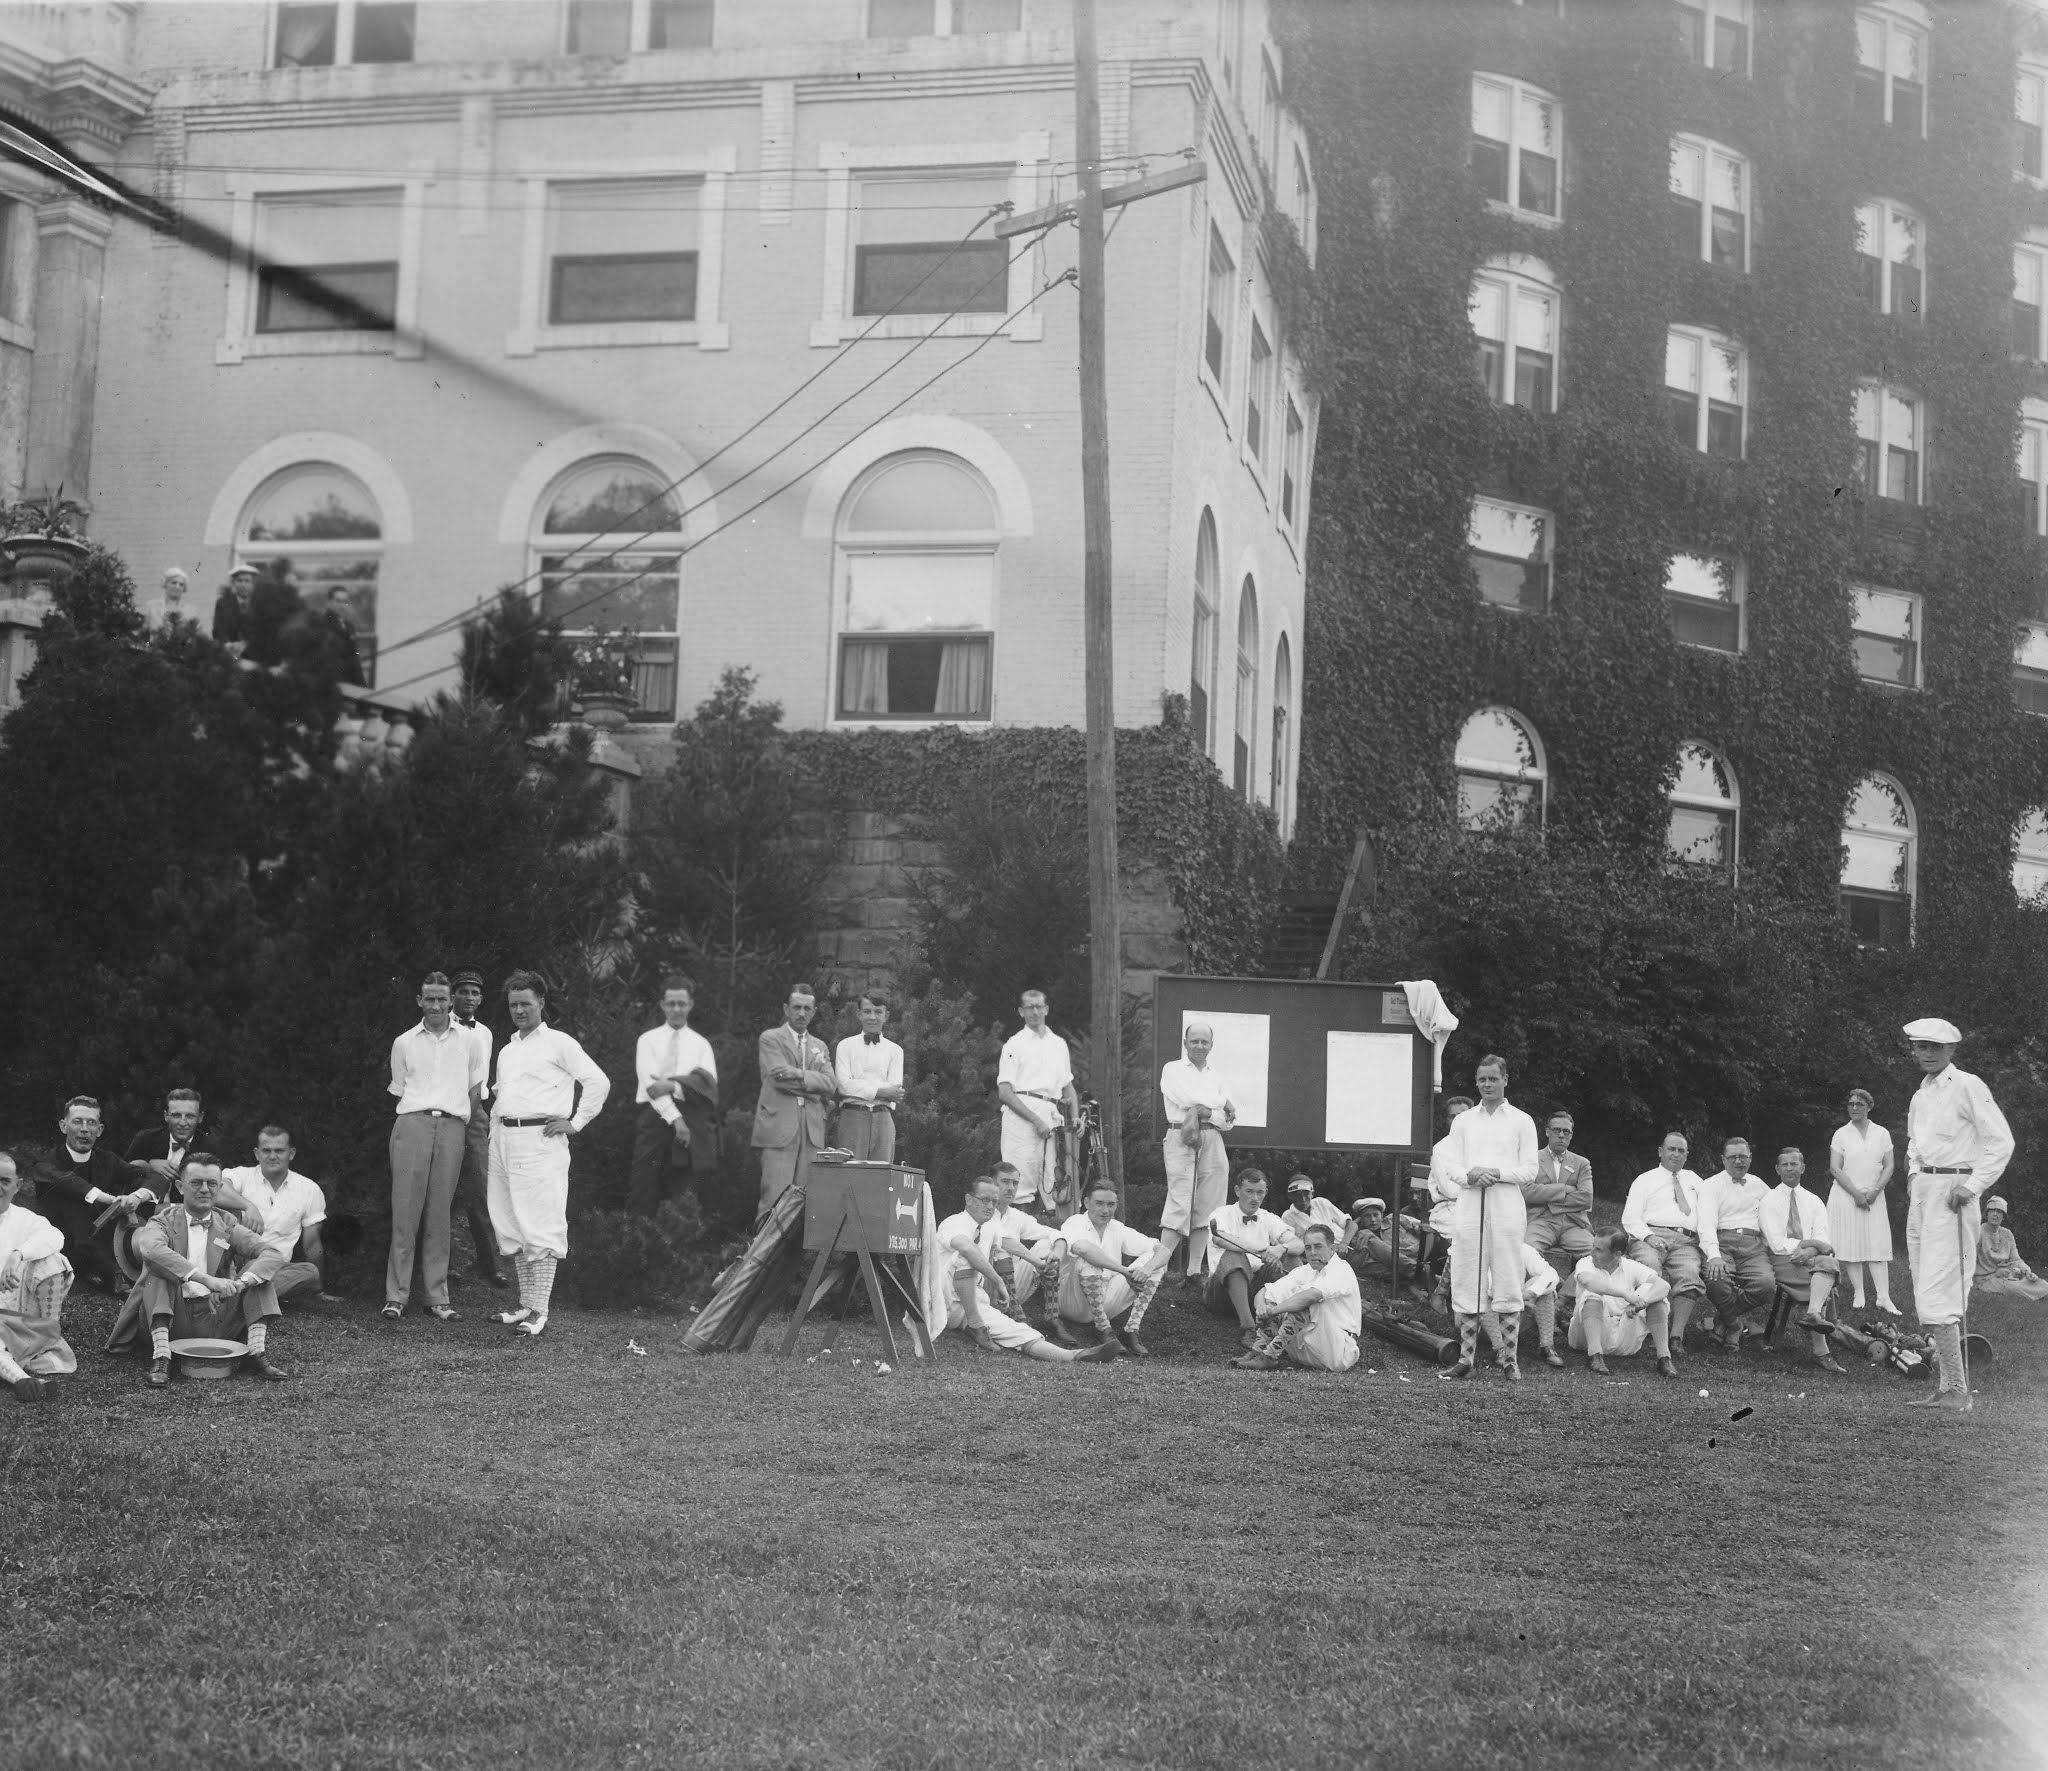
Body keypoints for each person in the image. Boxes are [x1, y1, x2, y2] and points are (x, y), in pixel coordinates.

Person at [490, 970, 611, 1337]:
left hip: (540, 1140)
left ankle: (539, 1312)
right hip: (504, 1138)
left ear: (541, 1002)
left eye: (526, 1003)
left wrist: (576, 1122)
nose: (520, 1010)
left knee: (540, 1223)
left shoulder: (560, 1043)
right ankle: (526, 1304)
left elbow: (598, 1081)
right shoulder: (509, 1050)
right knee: (511, 1222)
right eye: (513, 1005)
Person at [1902, 1017, 2013, 1411]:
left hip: (1955, 1193)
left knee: (1941, 1287)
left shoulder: (1968, 1086)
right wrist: (1915, 1176)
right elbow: (1915, 1144)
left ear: (1950, 1050)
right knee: (1924, 1285)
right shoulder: (1921, 1095)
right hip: (1924, 1194)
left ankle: (1957, 1390)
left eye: (1934, 1047)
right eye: (1920, 1046)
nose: (1926, 1053)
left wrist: (1972, 1186)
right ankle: (1950, 1386)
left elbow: (2001, 1141)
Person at [108, 1155, 288, 1386]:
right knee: (159, 1271)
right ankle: (162, 1357)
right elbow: (151, 1250)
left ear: (220, 1188)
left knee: (259, 1273)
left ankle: (255, 1352)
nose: (205, 1190)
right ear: (180, 1187)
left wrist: (239, 1284)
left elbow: (272, 1252)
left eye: (212, 1183)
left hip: (215, 1317)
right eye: (196, 1183)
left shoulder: (227, 1223)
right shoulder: (161, 1221)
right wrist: (207, 1280)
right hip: (171, 1318)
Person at [385, 970, 483, 1322]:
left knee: (440, 1214)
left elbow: (475, 1089)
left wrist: (463, 1125)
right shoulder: (404, 1042)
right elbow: (399, 1088)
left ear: (451, 1001)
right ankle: (396, 1296)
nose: (437, 1005)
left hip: (453, 1128)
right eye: (431, 998)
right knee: (406, 1212)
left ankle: (437, 1298)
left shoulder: (469, 1041)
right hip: (412, 1124)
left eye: (443, 999)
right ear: (420, 1001)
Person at [1434, 1056, 1538, 1381]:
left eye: (1493, 1079)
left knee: (1507, 1278)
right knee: (1467, 1277)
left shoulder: (1522, 1121)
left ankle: (1510, 1361)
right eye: (1482, 1080)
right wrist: (1471, 1175)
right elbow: (1450, 1164)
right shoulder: (1463, 1121)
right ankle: (1466, 1359)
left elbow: (1530, 1170)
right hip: (1469, 1204)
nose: (1487, 1085)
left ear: (1505, 1079)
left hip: (1506, 1205)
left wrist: (1496, 1172)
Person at [938, 1176, 1115, 1363]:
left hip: (973, 1303)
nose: (990, 1206)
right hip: (944, 1301)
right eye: (985, 1200)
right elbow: (966, 1247)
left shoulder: (990, 1228)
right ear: (968, 1199)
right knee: (966, 1256)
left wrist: (1035, 1266)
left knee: (1018, 1331)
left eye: (994, 1202)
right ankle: (974, 1324)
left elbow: (1005, 1248)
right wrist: (998, 1282)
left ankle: (1074, 1355)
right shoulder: (954, 1222)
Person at [31, 1096, 158, 1293]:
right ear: (63, 1126)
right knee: (75, 1199)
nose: (84, 1129)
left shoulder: (107, 1160)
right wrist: (103, 1197)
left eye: (91, 1123)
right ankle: (112, 1274)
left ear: (99, 1130)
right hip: (61, 1247)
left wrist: (136, 1197)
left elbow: (153, 1178)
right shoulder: (46, 1162)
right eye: (77, 1121)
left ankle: (116, 1271)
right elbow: (65, 1180)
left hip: (103, 1242)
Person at [630, 975, 721, 1216]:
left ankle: (679, 1248)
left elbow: (708, 1085)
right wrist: (675, 1119)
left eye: (682, 1003)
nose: (677, 1009)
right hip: (654, 1116)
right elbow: (651, 1088)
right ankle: (639, 1243)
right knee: (644, 1181)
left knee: (683, 1186)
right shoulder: (647, 1041)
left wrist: (671, 1086)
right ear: (662, 1005)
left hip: (690, 1117)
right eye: (671, 1004)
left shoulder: (701, 1045)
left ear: (691, 1004)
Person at [1157, 1021, 1236, 1281]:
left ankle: (1193, 1270)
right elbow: (1187, 1099)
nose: (1199, 1046)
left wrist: (1210, 1112)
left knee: (1209, 1204)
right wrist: (1223, 1102)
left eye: (1204, 1042)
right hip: (1182, 1135)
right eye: (1194, 1041)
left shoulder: (1217, 1076)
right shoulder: (1173, 1069)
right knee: (1180, 1200)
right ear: (1185, 1043)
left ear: (1211, 1045)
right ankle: (1160, 1267)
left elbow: (1228, 1121)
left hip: (1212, 1138)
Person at [752, 983, 836, 1222]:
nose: (801, 1013)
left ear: (814, 1011)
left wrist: (798, 1075)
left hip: (811, 1132)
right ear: (786, 1009)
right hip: (779, 1127)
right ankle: (763, 1259)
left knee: (804, 1204)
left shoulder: (819, 1046)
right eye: (797, 1007)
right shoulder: (771, 1039)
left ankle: (795, 1260)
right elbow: (777, 1077)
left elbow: (831, 1084)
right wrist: (813, 1087)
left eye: (807, 1008)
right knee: (774, 1200)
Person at [1760, 1147, 1848, 1374]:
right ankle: (1821, 1350)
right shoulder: (1768, 1200)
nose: (1790, 1168)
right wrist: (1808, 1248)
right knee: (1825, 1275)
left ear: (1803, 1168)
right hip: (1783, 1260)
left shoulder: (1814, 1201)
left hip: (1812, 1260)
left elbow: (1823, 1238)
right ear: (1777, 1169)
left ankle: (1813, 1315)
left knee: (1828, 1264)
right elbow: (1776, 1242)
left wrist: (1810, 1251)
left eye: (1794, 1164)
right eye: (1785, 1164)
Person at [221, 1126, 331, 1306]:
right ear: (257, 1153)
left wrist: (319, 1290)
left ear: (291, 1153)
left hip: (274, 1267)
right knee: (222, 1232)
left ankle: (235, 1293)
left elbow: (312, 1244)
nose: (272, 1156)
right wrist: (247, 1205)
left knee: (310, 1272)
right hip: (235, 1258)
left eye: (279, 1151)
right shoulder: (242, 1175)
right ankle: (247, 1294)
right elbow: (216, 1189)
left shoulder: (309, 1189)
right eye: (266, 1151)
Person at [1053, 1181, 1166, 1354]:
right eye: (1099, 1203)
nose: (1105, 1211)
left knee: (1155, 1261)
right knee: (1088, 1260)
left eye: (1111, 1204)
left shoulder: (1117, 1228)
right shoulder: (1075, 1222)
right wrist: (1123, 1271)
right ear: (1086, 1202)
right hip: (1072, 1302)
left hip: (1106, 1300)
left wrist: (1148, 1269)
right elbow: (1083, 1249)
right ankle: (1102, 1328)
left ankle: (1131, 1329)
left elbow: (1163, 1250)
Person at [1620, 1132, 1707, 1353]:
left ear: (1687, 1155)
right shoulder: (1645, 1179)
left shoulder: (1696, 1181)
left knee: (1689, 1274)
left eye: (1681, 1151)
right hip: (1650, 1236)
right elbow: (1630, 1218)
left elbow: (1708, 1213)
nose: (1676, 1154)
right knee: (1650, 1270)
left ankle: (1676, 1336)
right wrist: (1649, 1237)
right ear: (1661, 1151)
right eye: (1671, 1149)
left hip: (1686, 1241)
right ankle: (1648, 1328)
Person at [1232, 1224, 1362, 1371]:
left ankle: (1269, 1357)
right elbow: (1264, 1291)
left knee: (1308, 1299)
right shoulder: (1305, 1270)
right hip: (1306, 1349)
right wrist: (1262, 1307)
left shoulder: (1341, 1269)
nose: (1312, 1253)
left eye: (1318, 1247)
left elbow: (1311, 1296)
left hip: (1337, 1351)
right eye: (1308, 1248)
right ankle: (1257, 1353)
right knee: (1275, 1295)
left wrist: (1274, 1311)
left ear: (1332, 1248)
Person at [0, 1151, 74, 1400]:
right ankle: (23, 1380)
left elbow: (55, 1237)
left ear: (17, 1186)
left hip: (19, 1311)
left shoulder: (25, 1219)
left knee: (52, 1259)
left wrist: (18, 1254)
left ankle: (46, 1337)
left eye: (4, 1181)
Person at [449, 968, 506, 1287]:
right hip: (445, 1112)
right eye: (463, 992)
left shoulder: (483, 1032)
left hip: (476, 1115)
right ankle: (443, 1265)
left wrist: (475, 1113)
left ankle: (490, 1264)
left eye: (474, 993)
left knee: (480, 1186)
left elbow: (482, 1077)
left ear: (481, 999)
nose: (469, 998)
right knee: (444, 1189)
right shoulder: (441, 1028)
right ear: (453, 996)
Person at [998, 989, 1078, 1213]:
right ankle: (1013, 1241)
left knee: (1055, 1182)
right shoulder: (1014, 1044)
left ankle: (1051, 1241)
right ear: (1021, 1012)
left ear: (1046, 1009)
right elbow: (1004, 1091)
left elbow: (1067, 1085)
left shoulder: (1058, 1044)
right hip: (1022, 1118)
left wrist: (1075, 1118)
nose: (1035, 1012)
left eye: (1039, 1007)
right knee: (1018, 1181)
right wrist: (1035, 1120)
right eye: (1029, 1007)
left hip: (1052, 1117)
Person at [1697, 1136, 1779, 1354]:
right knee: (1716, 1278)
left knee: (1766, 1285)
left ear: (1750, 1158)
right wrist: (1714, 1255)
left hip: (1753, 1246)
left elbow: (1776, 1216)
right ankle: (1734, 1324)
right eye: (1732, 1157)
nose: (1738, 1161)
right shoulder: (1711, 1185)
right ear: (1723, 1160)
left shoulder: (1760, 1185)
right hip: (1721, 1242)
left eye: (1743, 1156)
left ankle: (1722, 1319)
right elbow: (1706, 1223)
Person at [1204, 1169, 1304, 1344]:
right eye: (1249, 1191)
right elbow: (1220, 1239)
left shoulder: (1268, 1218)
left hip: (1256, 1290)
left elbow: (1299, 1244)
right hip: (1221, 1291)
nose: (1255, 1198)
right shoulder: (1222, 1213)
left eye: (1260, 1192)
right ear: (1237, 1191)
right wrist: (1262, 1250)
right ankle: (1249, 1328)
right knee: (1233, 1256)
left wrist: (1282, 1248)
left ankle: (1290, 1318)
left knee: (1292, 1258)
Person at [1829, 1087, 1899, 1315]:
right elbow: (1835, 1168)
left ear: (1869, 1106)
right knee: (1852, 1244)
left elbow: (1889, 1165)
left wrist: (1875, 1191)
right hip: (1846, 1196)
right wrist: (1856, 1194)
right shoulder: (1841, 1134)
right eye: (1851, 1104)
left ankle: (1883, 1297)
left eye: (1859, 1104)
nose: (1854, 1108)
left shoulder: (1882, 1133)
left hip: (1874, 1196)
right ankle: (1859, 1293)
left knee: (1877, 1244)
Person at [1570, 1230, 1678, 1377]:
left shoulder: (1630, 1266)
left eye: (1599, 1249)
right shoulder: (1585, 1262)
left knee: (1655, 1294)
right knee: (1592, 1293)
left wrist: (1642, 1303)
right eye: (1593, 1247)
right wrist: (1625, 1294)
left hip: (1624, 1337)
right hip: (1585, 1337)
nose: (1592, 1252)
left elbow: (1664, 1286)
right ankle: (1595, 1356)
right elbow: (1589, 1282)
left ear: (1617, 1254)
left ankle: (1664, 1358)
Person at [1522, 1110, 1594, 1297]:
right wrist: (1565, 1189)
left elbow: (1586, 1198)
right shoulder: (1532, 1158)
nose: (1561, 1135)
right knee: (1526, 1250)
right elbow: (1527, 1192)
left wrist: (1548, 1198)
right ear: (1547, 1132)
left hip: (1573, 1223)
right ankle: (1530, 1297)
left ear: (1571, 1135)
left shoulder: (1581, 1163)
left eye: (1566, 1131)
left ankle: (1563, 1298)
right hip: (1541, 1221)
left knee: (1597, 1253)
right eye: (1556, 1130)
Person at [990, 1165, 1065, 1334]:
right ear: (992, 1184)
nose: (1011, 1188)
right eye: (1005, 1182)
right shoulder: (983, 1211)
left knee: (1047, 1245)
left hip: (1011, 1289)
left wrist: (1057, 1254)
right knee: (999, 1249)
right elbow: (1003, 1241)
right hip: (985, 1287)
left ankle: (1052, 1317)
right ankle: (1018, 1318)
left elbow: (1055, 1234)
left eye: (1015, 1183)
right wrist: (1036, 1262)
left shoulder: (1016, 1216)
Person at [833, 991, 905, 1163]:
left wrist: (861, 1088)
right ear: (859, 1014)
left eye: (878, 1012)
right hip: (853, 1116)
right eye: (867, 1011)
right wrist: (881, 1091)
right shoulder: (845, 1046)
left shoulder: (895, 1050)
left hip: (883, 1118)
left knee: (881, 1177)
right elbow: (844, 1086)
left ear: (886, 1015)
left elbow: (894, 1089)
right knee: (851, 1176)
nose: (872, 1017)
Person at [1420, 1094, 1475, 1307]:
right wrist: (1476, 1183)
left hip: (1476, 1206)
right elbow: (1449, 1190)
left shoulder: (1480, 1145)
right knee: (1467, 1235)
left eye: (1461, 1116)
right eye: (1452, 1117)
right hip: (1448, 1209)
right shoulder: (1441, 1149)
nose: (1456, 1121)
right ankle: (1443, 1291)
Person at [124, 1088, 206, 1194]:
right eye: (176, 1115)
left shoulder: (210, 1148)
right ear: (166, 1116)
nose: (182, 1123)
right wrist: (149, 1164)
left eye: (190, 1116)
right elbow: (122, 1173)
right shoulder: (145, 1138)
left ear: (200, 1117)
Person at [1973, 1198, 2048, 1301]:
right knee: (2016, 1287)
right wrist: (1994, 1273)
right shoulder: (1978, 1232)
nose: (1995, 1214)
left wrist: (2027, 1272)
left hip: (2007, 1274)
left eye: (1999, 1212)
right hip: (1986, 1279)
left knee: (2039, 1283)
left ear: (2003, 1216)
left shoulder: (2007, 1234)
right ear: (1986, 1213)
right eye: (1992, 1210)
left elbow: (2016, 1259)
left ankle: (2041, 1291)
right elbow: (1968, 1261)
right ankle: (2038, 1295)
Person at [1281, 1174, 1351, 1263]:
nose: (1302, 1199)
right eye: (1297, 1195)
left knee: (1367, 1236)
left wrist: (1344, 1243)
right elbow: (1294, 1248)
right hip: (1327, 1256)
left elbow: (1350, 1224)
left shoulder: (1321, 1202)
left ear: (1312, 1194)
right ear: (1289, 1196)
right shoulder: (1287, 1217)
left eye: (1306, 1194)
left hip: (1346, 1246)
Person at [211, 562, 254, 649]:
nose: (243, 584)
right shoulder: (223, 603)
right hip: (229, 652)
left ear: (253, 584)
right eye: (239, 580)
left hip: (253, 653)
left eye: (247, 581)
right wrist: (227, 645)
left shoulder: (258, 604)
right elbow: (218, 630)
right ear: (234, 583)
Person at [144, 566, 194, 631]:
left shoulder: (190, 611)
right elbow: (142, 635)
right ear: (165, 584)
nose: (177, 587)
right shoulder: (151, 607)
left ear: (184, 589)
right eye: (174, 583)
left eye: (181, 584)